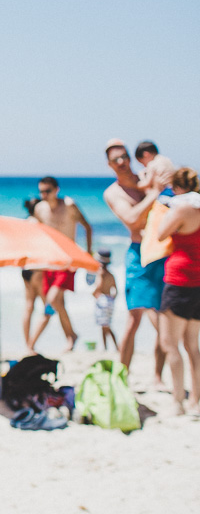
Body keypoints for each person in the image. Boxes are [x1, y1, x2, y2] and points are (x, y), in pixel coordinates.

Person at [103, 139, 166, 386]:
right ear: (109, 164)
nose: (121, 162)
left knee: (163, 315)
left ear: (131, 157)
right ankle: (123, 376)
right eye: (115, 159)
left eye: (124, 156)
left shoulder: (147, 176)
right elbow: (131, 219)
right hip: (139, 254)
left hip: (162, 250)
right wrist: (154, 194)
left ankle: (158, 376)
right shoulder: (113, 192)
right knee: (134, 316)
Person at [27, 176, 93, 352]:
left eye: (47, 191)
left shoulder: (69, 205)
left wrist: (87, 253)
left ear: (57, 190)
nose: (43, 195)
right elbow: (36, 234)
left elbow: (87, 226)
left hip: (67, 260)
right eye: (41, 191)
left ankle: (31, 345)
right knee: (58, 304)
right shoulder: (40, 209)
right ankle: (71, 336)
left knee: (51, 301)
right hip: (49, 261)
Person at [155, 167, 200, 415]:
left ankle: (178, 402)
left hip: (179, 279)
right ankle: (196, 399)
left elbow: (161, 234)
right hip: (199, 280)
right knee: (193, 345)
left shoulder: (182, 208)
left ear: (177, 187)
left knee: (170, 343)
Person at [21, 198, 54, 353]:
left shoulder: (25, 223)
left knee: (29, 307)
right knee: (48, 307)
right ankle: (31, 345)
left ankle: (28, 343)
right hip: (38, 269)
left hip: (25, 268)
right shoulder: (39, 224)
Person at [92, 249, 119, 351]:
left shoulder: (101, 273)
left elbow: (98, 286)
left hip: (102, 300)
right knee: (106, 325)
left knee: (104, 326)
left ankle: (107, 347)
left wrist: (94, 294)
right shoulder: (111, 275)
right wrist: (112, 299)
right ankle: (112, 346)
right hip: (110, 300)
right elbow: (116, 290)